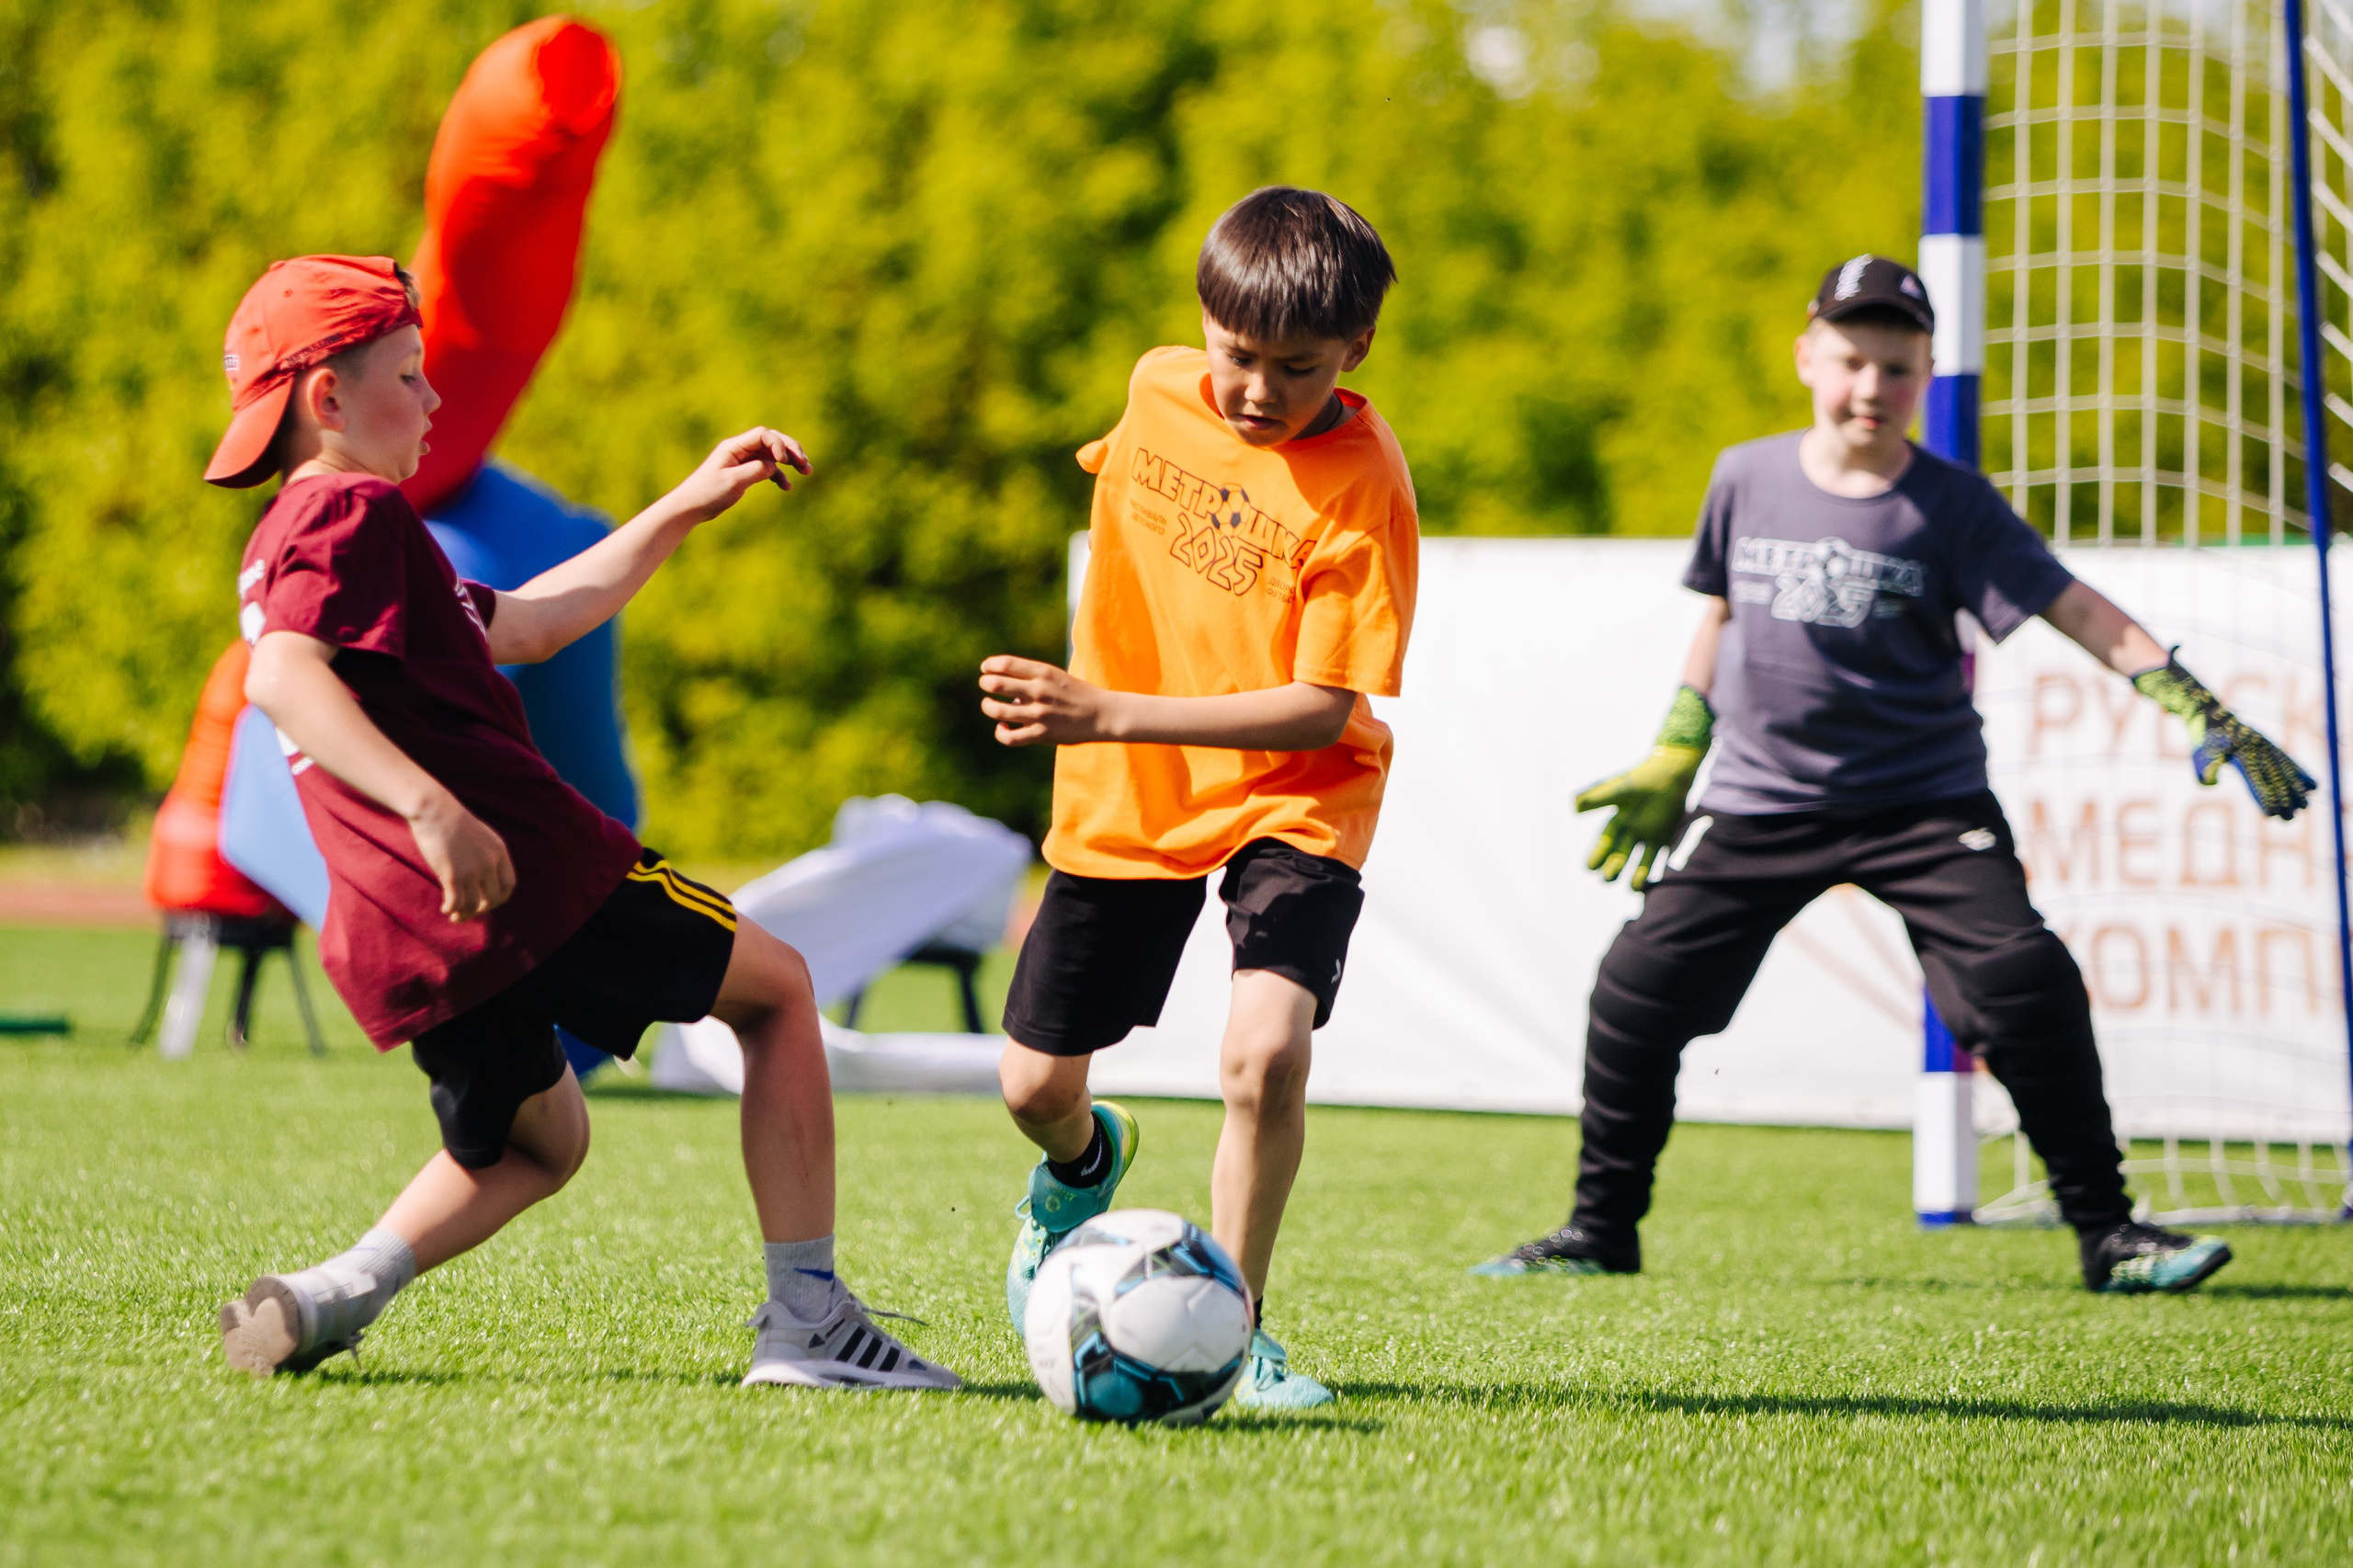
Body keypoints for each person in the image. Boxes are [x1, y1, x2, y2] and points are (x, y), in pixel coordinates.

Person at [1474, 255, 2314, 1294]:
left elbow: (2076, 605)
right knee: (1635, 992)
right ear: (1805, 358)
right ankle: (1601, 1230)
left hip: (1924, 806)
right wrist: (1679, 744)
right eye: (1850, 361)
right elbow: (1722, 614)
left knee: (2023, 982)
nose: (1870, 386)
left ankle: (2109, 1233)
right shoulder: (1744, 475)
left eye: (1897, 366)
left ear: (1926, 374)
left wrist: (2196, 704)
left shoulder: (1953, 503)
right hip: (1762, 801)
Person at [210, 255, 960, 1390]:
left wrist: (684, 503)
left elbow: (531, 624)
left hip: (403, 924)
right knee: (780, 990)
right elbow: (280, 673)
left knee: (540, 1141)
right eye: (408, 376)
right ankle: (810, 1319)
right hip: (526, 871)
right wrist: (432, 804)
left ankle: (326, 1296)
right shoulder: (350, 507)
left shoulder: (309, 535)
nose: (433, 399)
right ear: (327, 398)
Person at [976, 188, 1417, 1406]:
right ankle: (1082, 1166)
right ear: (1203, 325)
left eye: (1298, 368)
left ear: (1357, 349)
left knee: (1264, 1054)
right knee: (1032, 1087)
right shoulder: (1156, 388)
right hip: (1135, 787)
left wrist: (1104, 706)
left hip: (1297, 794)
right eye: (1239, 355)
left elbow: (1321, 707)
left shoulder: (1363, 485)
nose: (1259, 390)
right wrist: (1109, 716)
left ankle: (1238, 1326)